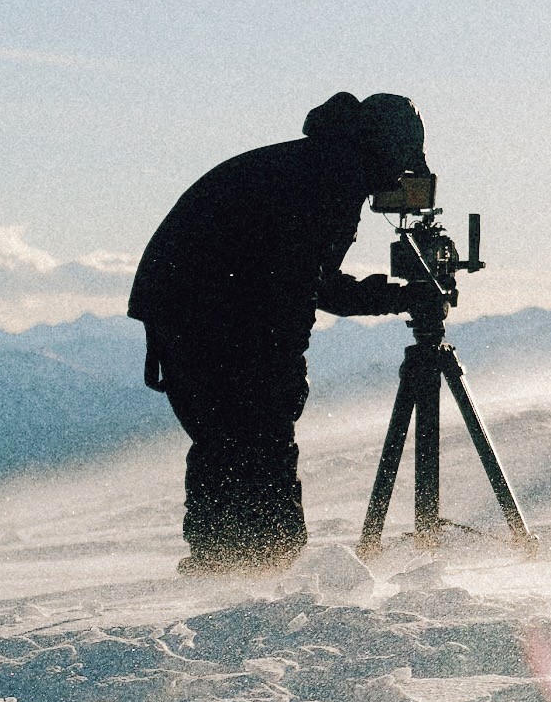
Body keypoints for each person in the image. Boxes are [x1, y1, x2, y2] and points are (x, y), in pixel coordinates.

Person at [129, 90, 424, 568]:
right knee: (254, 437)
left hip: (190, 311)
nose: (396, 183)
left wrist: (391, 298)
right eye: (400, 167)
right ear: (385, 150)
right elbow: (294, 284)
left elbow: (310, 279)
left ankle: (228, 564)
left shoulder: (315, 163)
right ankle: (257, 564)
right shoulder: (332, 177)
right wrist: (285, 366)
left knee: (233, 441)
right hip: (213, 316)